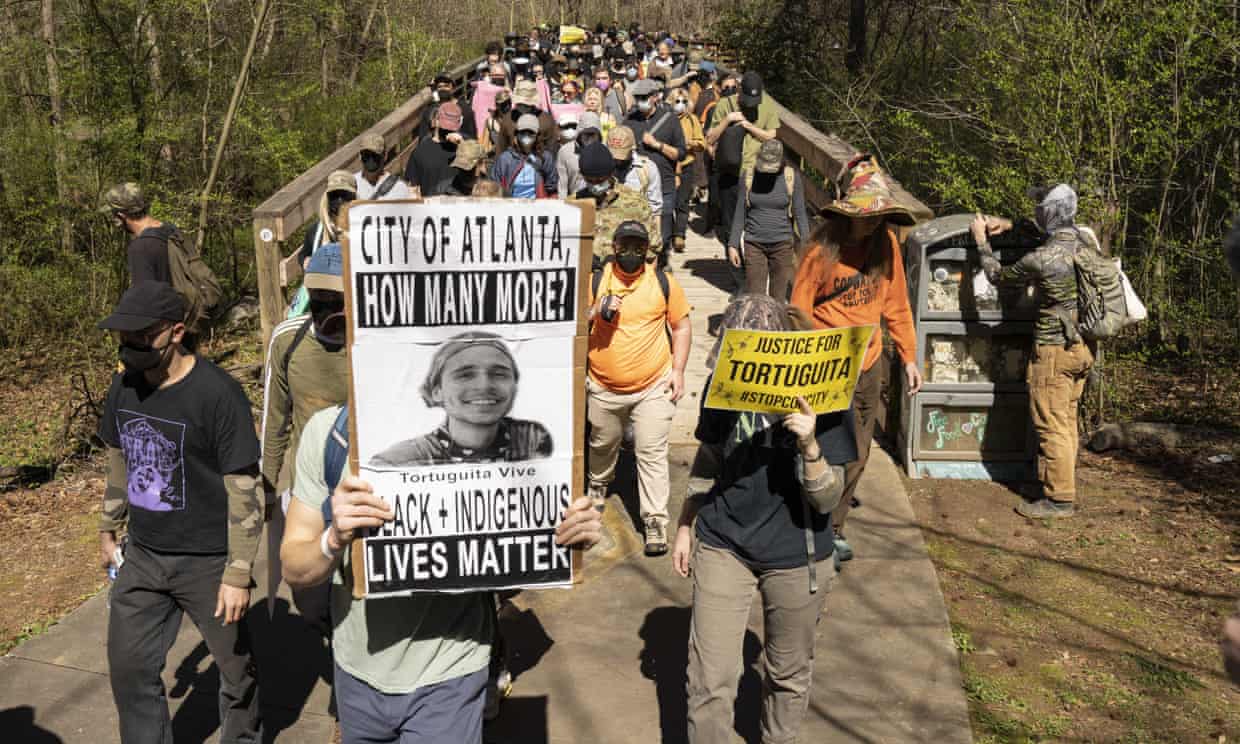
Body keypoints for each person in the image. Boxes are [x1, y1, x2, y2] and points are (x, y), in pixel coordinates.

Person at [279, 420, 602, 744]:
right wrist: (333, 539)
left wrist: (569, 532)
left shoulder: (496, 430)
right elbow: (294, 567)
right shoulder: (328, 434)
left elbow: (528, 527)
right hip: (356, 675)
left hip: (452, 671)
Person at [673, 294, 855, 744]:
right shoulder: (723, 385)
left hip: (798, 553)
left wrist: (810, 446)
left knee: (787, 677)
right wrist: (684, 522)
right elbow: (710, 456)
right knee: (708, 681)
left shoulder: (826, 393)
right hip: (724, 543)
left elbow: (828, 498)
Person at [98, 281, 263, 744]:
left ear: (175, 332)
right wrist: (109, 525)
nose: (129, 347)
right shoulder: (123, 386)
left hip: (209, 560)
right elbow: (119, 458)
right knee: (130, 670)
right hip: (144, 555)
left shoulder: (218, 394)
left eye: (140, 337)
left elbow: (245, 488)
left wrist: (238, 571)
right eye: (123, 338)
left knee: (237, 674)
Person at [790, 154, 921, 566]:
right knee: (823, 447)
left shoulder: (887, 246)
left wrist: (909, 356)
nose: (870, 221)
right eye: (864, 215)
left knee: (860, 453)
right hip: (825, 361)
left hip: (868, 362)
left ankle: (835, 527)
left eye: (877, 215)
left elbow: (897, 304)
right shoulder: (821, 248)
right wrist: (805, 354)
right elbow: (798, 308)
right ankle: (810, 522)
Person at [970, 184, 1095, 518]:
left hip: (1053, 350)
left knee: (1050, 423)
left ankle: (1059, 501)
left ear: (1049, 212)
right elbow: (1041, 233)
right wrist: (1010, 224)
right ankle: (1058, 485)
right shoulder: (1085, 242)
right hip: (1082, 347)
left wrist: (982, 241)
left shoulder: (1043, 258)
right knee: (1066, 421)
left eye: (1042, 208)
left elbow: (997, 275)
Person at [587, 220, 692, 555]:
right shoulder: (595, 280)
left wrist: (677, 369)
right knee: (603, 443)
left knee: (651, 451)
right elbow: (573, 321)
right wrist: (596, 311)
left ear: (647, 251)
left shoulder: (663, 283)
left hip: (653, 385)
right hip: (604, 386)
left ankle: (655, 521)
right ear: (614, 248)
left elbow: (682, 326)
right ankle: (597, 484)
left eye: (639, 247)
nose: (631, 252)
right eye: (625, 246)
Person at [260, 243, 350, 632]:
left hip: (359, 489)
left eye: (336, 297)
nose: (325, 307)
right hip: (307, 491)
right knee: (309, 596)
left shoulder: (372, 341)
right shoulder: (288, 340)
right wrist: (265, 486)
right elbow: (273, 421)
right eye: (318, 297)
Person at [369, 332, 552, 467]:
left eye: (499, 374)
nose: (484, 385)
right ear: (436, 391)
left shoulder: (531, 440)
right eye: (465, 375)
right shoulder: (397, 463)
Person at [708, 72, 779, 276]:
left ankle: (754, 274)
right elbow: (710, 139)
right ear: (739, 90)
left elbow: (772, 136)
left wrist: (749, 126)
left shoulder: (768, 105)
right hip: (730, 173)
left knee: (755, 224)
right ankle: (738, 280)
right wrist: (728, 119)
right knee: (731, 225)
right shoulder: (725, 104)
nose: (751, 104)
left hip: (757, 173)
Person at [728, 140, 809, 299]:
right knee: (755, 298)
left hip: (783, 245)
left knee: (777, 298)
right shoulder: (749, 176)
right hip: (754, 243)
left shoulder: (791, 177)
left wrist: (807, 246)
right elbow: (739, 212)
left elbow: (800, 213)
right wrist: (733, 244)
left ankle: (775, 325)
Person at [624, 78, 686, 255]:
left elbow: (680, 153)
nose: (640, 101)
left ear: (655, 97)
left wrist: (657, 145)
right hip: (636, 186)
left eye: (644, 97)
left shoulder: (670, 119)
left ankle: (662, 264)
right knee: (637, 231)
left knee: (663, 233)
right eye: (638, 97)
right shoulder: (629, 120)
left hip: (664, 185)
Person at [576, 142, 661, 267]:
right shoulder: (573, 206)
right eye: (589, 180)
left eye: (600, 180)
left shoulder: (635, 203)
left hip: (624, 280)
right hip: (586, 280)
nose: (595, 185)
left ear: (611, 173)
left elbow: (653, 250)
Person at [101, 182, 174, 285]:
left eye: (113, 214)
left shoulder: (140, 248)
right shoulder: (171, 230)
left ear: (121, 215)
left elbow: (144, 296)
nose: (112, 219)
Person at [670, 86, 706, 253]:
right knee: (668, 202)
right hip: (668, 165)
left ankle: (679, 235)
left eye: (684, 101)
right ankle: (668, 233)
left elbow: (702, 143)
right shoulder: (666, 119)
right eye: (677, 101)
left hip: (686, 165)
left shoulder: (692, 119)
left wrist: (690, 143)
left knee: (683, 202)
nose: (681, 104)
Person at [607, 125, 663, 230]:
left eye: (622, 155)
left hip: (637, 232)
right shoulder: (602, 166)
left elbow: (655, 210)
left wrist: (657, 239)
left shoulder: (647, 168)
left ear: (632, 148)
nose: (618, 160)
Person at [403, 102, 464, 196]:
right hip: (441, 208)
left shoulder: (419, 152)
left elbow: (413, 191)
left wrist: (463, 145)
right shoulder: (419, 152)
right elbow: (413, 190)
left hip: (451, 208)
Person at [490, 114, 558, 198]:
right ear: (516, 134)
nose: (527, 135)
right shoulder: (505, 158)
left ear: (537, 135)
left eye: (531, 133)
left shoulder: (545, 157)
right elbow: (495, 184)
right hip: (511, 206)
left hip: (538, 206)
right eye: (523, 132)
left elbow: (552, 186)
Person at [354, 133, 411, 200]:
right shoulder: (350, 185)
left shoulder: (399, 187)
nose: (371, 160)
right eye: (366, 155)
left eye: (375, 155)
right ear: (360, 156)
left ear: (385, 156)